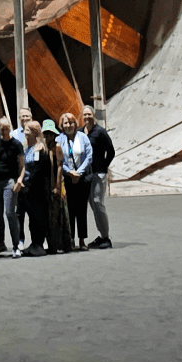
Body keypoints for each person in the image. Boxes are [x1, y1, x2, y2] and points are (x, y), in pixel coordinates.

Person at [0, 113, 25, 256]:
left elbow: (22, 165)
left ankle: (16, 246)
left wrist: (19, 180)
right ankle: (0, 243)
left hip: (9, 180)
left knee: (10, 213)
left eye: (6, 128)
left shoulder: (16, 144)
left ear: (10, 128)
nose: (4, 131)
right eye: (1, 129)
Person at [59, 111, 94, 251]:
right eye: (66, 123)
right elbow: (59, 158)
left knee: (82, 209)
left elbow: (89, 156)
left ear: (75, 124)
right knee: (70, 210)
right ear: (62, 125)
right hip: (68, 179)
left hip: (83, 178)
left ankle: (82, 239)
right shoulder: (59, 139)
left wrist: (79, 172)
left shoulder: (83, 137)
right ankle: (70, 238)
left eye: (71, 122)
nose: (69, 125)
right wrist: (69, 172)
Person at [82, 106, 116, 250]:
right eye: (85, 114)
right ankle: (101, 235)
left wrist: (103, 167)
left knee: (98, 202)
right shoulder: (80, 132)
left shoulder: (100, 132)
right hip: (87, 174)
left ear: (93, 115)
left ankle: (106, 237)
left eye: (89, 114)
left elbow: (111, 151)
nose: (87, 116)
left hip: (98, 173)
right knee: (93, 204)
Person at [22, 119, 53, 256]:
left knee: (39, 217)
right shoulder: (27, 148)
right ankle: (34, 242)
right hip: (28, 190)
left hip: (38, 190)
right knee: (32, 219)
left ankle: (39, 244)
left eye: (27, 131)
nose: (24, 133)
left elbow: (38, 171)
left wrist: (28, 184)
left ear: (34, 133)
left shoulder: (41, 150)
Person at [42, 121, 74, 254]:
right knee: (50, 216)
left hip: (57, 183)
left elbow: (60, 166)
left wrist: (57, 186)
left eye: (50, 133)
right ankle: (52, 244)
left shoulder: (57, 147)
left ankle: (64, 243)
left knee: (60, 214)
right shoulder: (44, 147)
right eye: (46, 133)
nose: (48, 136)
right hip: (47, 184)